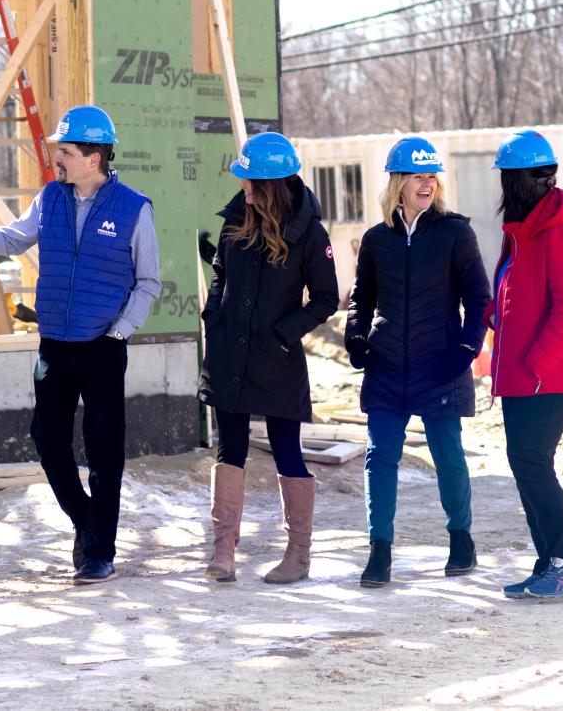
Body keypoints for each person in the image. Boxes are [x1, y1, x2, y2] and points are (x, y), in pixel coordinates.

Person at [0, 105, 161, 585]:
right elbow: (12, 240)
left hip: (102, 346)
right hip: (55, 343)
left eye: (66, 152)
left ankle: (99, 552)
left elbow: (148, 282)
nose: (58, 160)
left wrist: (119, 332)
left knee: (104, 450)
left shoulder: (134, 207)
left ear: (94, 157)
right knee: (48, 441)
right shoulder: (51, 198)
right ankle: (84, 521)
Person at [344, 136, 490, 588]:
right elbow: (361, 300)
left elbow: (480, 300)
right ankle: (379, 550)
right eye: (417, 176)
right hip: (387, 365)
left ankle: (461, 540)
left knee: (448, 456)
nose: (426, 183)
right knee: (379, 457)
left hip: (439, 364)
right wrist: (355, 337)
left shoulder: (455, 233)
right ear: (398, 183)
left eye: (432, 176)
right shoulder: (375, 240)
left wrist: (466, 350)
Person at [199, 132, 339, 584]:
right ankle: (223, 551)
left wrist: (283, 334)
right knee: (230, 449)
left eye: (249, 181)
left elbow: (325, 298)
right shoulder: (234, 223)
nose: (242, 188)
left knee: (287, 452)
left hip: (276, 358)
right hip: (229, 353)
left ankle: (298, 555)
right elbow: (219, 274)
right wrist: (213, 316)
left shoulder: (311, 235)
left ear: (269, 183)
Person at [484, 129, 563, 599]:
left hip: (552, 373)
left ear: (516, 181)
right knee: (525, 459)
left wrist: (536, 365)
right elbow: (517, 289)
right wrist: (492, 312)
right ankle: (550, 562)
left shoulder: (561, 230)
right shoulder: (523, 229)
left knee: (530, 457)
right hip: (523, 375)